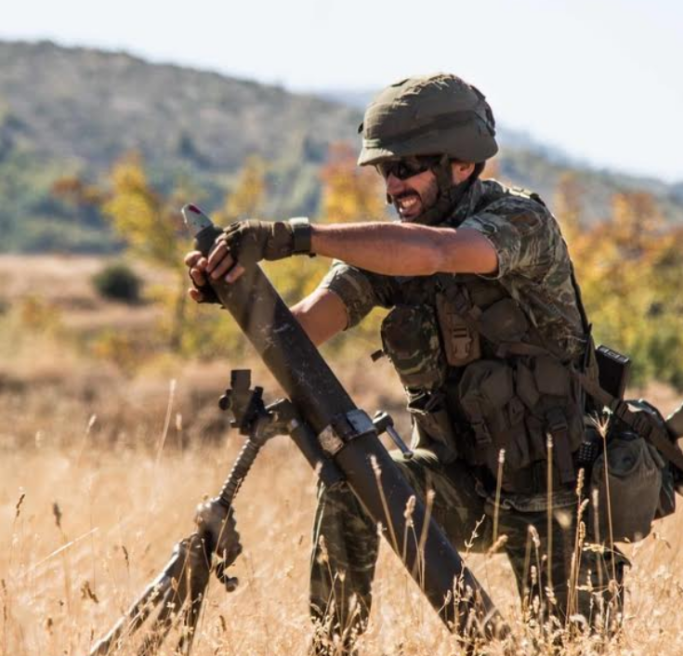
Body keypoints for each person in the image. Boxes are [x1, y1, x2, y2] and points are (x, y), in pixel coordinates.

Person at [185, 73, 624, 652]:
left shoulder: (520, 222)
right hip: (461, 487)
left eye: (408, 166)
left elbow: (440, 253)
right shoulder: (388, 248)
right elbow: (307, 327)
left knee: (570, 646)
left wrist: (298, 236)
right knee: (349, 484)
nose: (394, 185)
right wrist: (239, 293)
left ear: (462, 164)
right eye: (385, 171)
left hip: (562, 498)